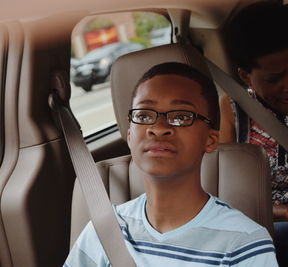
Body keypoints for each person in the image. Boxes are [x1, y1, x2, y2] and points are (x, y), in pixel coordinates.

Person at [64, 61, 278, 266]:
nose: (158, 127)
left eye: (181, 117)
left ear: (211, 140)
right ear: (130, 136)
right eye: (144, 115)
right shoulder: (104, 230)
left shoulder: (244, 243)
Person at [219, 2, 288, 264]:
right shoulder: (233, 108)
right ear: (246, 76)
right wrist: (281, 213)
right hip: (262, 223)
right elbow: (227, 189)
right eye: (274, 78)